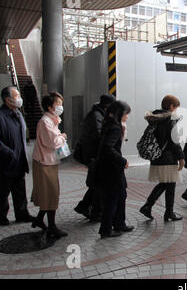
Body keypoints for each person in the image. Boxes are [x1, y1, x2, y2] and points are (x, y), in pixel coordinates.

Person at [139, 95, 185, 221]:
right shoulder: (170, 119)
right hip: (168, 158)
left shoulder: (155, 118)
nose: (175, 110)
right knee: (170, 185)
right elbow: (174, 141)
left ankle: (148, 206)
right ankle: (167, 212)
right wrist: (181, 157)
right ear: (171, 106)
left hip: (157, 156)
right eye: (175, 108)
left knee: (165, 184)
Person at [31, 92, 68, 238]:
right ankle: (51, 227)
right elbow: (52, 143)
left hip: (49, 161)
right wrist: (63, 137)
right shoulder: (45, 122)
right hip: (44, 162)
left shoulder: (52, 120)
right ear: (49, 107)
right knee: (51, 193)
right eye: (58, 104)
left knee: (49, 193)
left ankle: (39, 220)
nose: (60, 107)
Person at [74, 94, 116, 221]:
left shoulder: (98, 114)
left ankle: (84, 206)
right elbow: (99, 136)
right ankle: (96, 213)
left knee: (97, 183)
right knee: (99, 184)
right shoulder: (96, 116)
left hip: (94, 154)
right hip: (94, 155)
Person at [97, 100, 134, 238]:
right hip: (112, 168)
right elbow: (108, 147)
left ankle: (119, 223)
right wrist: (122, 160)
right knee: (113, 198)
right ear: (120, 113)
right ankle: (106, 229)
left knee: (120, 195)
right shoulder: (115, 127)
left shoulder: (108, 123)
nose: (127, 116)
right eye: (126, 114)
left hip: (107, 167)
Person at [0, 87, 35, 226]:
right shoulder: (1, 115)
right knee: (2, 192)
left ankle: (22, 214)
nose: (19, 98)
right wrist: (9, 153)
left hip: (19, 161)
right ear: (8, 99)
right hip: (5, 162)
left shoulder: (18, 114)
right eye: (16, 95)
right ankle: (1, 217)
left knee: (20, 190)